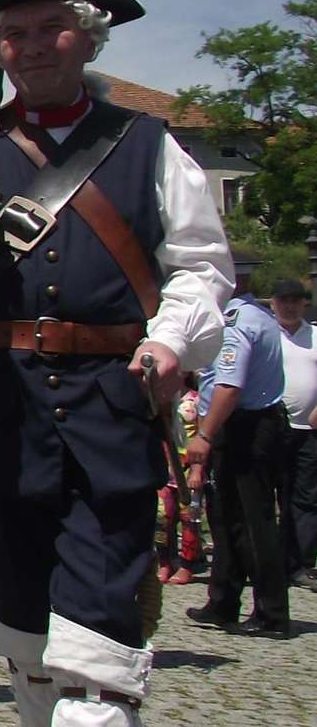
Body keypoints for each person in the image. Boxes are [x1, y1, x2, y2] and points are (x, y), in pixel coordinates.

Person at [0, 0, 232, 726]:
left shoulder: (148, 144)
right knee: (23, 619)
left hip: (110, 409)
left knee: (100, 632)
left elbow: (202, 267)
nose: (34, 46)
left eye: (52, 28)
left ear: (88, 36)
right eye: (14, 33)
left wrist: (171, 340)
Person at [185, 262, 291, 636]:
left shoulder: (237, 323)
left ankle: (271, 612)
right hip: (241, 423)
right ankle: (224, 601)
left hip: (245, 425)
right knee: (224, 514)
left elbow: (229, 385)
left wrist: (205, 435)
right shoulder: (252, 316)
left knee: (254, 519)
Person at [272, 278, 317, 592]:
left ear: (304, 303)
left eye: (295, 300)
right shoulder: (266, 334)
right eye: (283, 300)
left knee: (305, 498)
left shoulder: (315, 335)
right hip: (273, 427)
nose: (289, 305)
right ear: (273, 303)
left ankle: (301, 562)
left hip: (309, 429)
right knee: (274, 496)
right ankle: (273, 560)